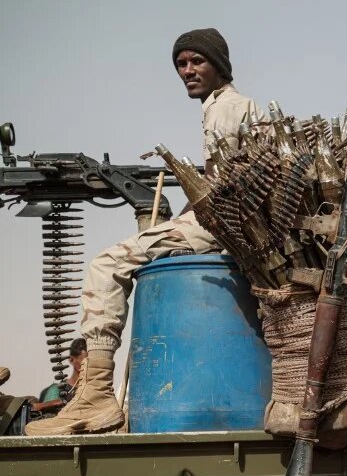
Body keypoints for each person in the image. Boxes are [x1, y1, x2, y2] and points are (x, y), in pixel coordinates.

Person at [27, 28, 266, 436]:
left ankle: (97, 397)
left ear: (219, 64)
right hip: (229, 221)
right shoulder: (224, 106)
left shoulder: (227, 108)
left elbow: (219, 189)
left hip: (222, 224)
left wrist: (181, 222)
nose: (187, 71)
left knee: (106, 265)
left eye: (197, 62)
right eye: (181, 64)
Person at [38, 338, 87, 403]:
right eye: (84, 362)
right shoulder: (57, 390)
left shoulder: (98, 389)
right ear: (71, 360)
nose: (89, 366)